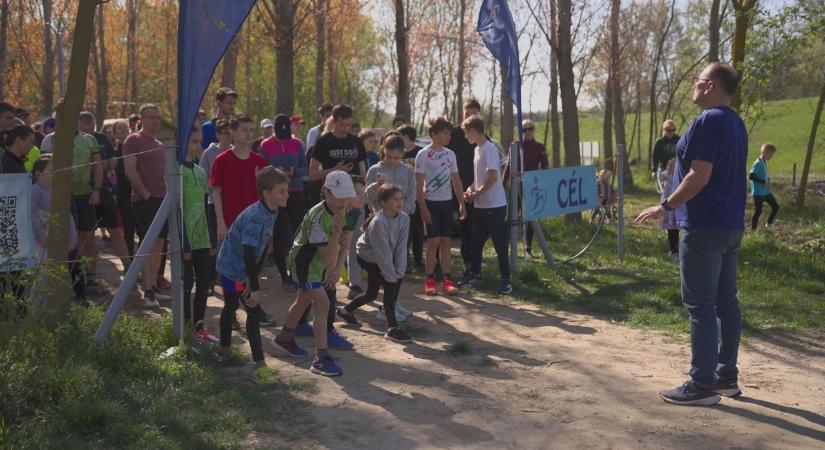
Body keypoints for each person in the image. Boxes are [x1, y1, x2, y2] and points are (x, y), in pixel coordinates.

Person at [637, 62, 748, 406]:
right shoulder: (736, 123)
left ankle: (701, 385)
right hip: (730, 225)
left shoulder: (706, 121)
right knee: (726, 302)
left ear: (712, 86)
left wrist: (665, 206)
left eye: (698, 80)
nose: (694, 85)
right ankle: (725, 377)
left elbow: (697, 177)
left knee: (700, 305)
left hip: (703, 225)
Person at [271, 170, 357, 377]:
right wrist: (336, 235)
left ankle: (284, 338)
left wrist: (336, 270)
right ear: (326, 192)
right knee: (324, 304)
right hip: (305, 263)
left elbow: (344, 245)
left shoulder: (341, 210)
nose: (344, 201)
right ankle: (321, 357)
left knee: (303, 301)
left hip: (319, 262)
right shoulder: (318, 218)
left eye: (347, 195)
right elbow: (329, 252)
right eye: (339, 195)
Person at [216, 167, 289, 368]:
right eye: (281, 191)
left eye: (286, 190)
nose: (286, 195)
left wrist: (254, 275)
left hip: (244, 269)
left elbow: (261, 246)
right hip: (232, 270)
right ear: (267, 193)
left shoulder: (272, 210)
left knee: (246, 309)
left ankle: (246, 357)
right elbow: (248, 252)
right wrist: (254, 286)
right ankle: (240, 356)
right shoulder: (256, 216)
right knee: (239, 308)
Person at [210, 115, 276, 327]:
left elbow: (269, 196)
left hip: (255, 228)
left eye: (251, 129)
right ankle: (231, 311)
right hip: (231, 226)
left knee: (253, 269)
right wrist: (220, 222)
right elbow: (216, 193)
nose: (249, 134)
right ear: (232, 133)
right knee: (231, 270)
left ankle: (253, 307)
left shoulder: (260, 161)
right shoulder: (221, 160)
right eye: (244, 130)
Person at [294, 176, 366, 349]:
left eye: (361, 193)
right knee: (324, 292)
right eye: (356, 193)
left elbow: (345, 243)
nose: (360, 197)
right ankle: (325, 331)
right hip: (310, 255)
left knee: (314, 292)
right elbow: (325, 248)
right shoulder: (324, 213)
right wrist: (330, 269)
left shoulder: (354, 212)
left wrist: (337, 268)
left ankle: (297, 326)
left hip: (327, 256)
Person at [337, 184, 412, 343]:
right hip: (367, 258)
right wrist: (391, 277)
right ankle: (393, 328)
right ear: (383, 203)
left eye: (401, 198)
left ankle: (345, 310)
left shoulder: (404, 218)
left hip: (383, 256)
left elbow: (401, 247)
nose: (399, 202)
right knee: (390, 286)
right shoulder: (378, 223)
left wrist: (399, 272)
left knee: (372, 293)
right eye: (394, 199)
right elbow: (382, 253)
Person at [362, 134, 416, 320]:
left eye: (396, 157)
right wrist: (375, 187)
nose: (392, 161)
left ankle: (393, 302)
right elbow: (366, 197)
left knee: (400, 261)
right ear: (383, 151)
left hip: (401, 225)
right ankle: (386, 308)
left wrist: (402, 213)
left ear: (403, 154)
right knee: (385, 264)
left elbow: (411, 197)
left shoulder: (408, 171)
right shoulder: (375, 170)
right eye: (388, 156)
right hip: (381, 227)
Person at [123, 104, 169, 308]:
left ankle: (153, 286)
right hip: (146, 201)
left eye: (158, 117)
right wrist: (146, 194)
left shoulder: (160, 143)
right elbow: (130, 170)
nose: (156, 121)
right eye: (152, 117)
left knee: (159, 245)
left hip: (163, 199)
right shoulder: (134, 140)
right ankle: (147, 291)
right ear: (141, 119)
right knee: (146, 244)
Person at [461, 115, 512, 294]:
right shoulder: (477, 150)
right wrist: (470, 189)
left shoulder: (488, 149)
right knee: (476, 242)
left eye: (465, 133)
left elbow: (492, 176)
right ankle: (476, 275)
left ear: (473, 131)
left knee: (500, 244)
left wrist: (477, 193)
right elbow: (479, 178)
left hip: (495, 205)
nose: (465, 136)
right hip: (480, 206)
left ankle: (506, 281)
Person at [416, 116, 466, 296]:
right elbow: (418, 183)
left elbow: (456, 180)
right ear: (433, 134)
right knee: (432, 242)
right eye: (445, 133)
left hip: (447, 204)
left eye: (449, 133)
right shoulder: (423, 155)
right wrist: (422, 208)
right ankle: (429, 279)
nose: (448, 137)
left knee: (446, 242)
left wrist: (461, 203)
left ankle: (446, 280)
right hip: (430, 204)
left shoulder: (450, 154)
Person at [78, 112, 130, 282]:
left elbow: (112, 162)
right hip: (83, 192)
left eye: (92, 129)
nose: (90, 134)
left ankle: (129, 267)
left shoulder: (102, 138)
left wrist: (102, 165)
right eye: (87, 130)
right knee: (87, 235)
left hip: (105, 191)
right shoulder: (75, 139)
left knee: (115, 230)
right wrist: (99, 165)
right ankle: (90, 276)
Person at [258, 114, 308, 291]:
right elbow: (262, 170)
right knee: (279, 235)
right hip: (275, 196)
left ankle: (298, 273)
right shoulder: (265, 145)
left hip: (295, 192)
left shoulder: (297, 144)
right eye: (280, 133)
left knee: (299, 233)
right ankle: (284, 276)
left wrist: (294, 172)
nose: (284, 136)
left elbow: (305, 167)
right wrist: (276, 173)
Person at [30, 155, 86, 304]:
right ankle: (36, 315)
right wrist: (41, 236)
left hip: (59, 240)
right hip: (41, 242)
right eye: (51, 169)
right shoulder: (35, 190)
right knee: (42, 277)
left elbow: (68, 216)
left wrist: (73, 240)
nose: (55, 172)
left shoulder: (58, 191)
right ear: (38, 173)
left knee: (58, 276)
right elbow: (30, 214)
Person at [181, 125, 218, 343]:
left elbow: (207, 208)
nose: (198, 145)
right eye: (194, 141)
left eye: (199, 141)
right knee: (186, 285)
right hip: (186, 240)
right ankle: (185, 328)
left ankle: (199, 328)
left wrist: (212, 238)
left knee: (204, 283)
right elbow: (177, 210)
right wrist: (184, 242)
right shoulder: (176, 172)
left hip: (203, 238)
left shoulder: (200, 171)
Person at [69, 115, 105, 297]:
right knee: (68, 239)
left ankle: (90, 278)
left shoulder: (89, 139)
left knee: (88, 237)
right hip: (62, 197)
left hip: (85, 194)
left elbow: (98, 166)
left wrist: (97, 190)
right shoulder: (51, 139)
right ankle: (70, 279)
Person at [504, 119, 548, 256]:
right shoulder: (515, 145)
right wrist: (502, 184)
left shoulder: (540, 147)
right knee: (510, 216)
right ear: (520, 131)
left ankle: (528, 248)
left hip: (531, 187)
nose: (528, 132)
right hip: (516, 186)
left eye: (531, 129)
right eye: (524, 129)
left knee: (530, 217)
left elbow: (546, 168)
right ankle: (505, 246)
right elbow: (508, 166)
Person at [449, 99, 482, 277]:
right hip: (450, 187)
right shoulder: (452, 134)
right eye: (466, 114)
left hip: (472, 189)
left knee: (469, 228)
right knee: (444, 231)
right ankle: (440, 266)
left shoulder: (481, 137)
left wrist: (474, 187)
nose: (468, 117)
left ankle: (469, 263)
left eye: (472, 114)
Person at [398, 124, 425, 271]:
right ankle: (404, 260)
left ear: (407, 137)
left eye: (400, 137)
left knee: (418, 231)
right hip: (401, 199)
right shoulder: (399, 154)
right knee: (404, 230)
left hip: (418, 197)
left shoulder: (420, 153)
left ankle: (418, 260)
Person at [112, 120, 137, 259]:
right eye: (119, 128)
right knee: (128, 229)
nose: (123, 130)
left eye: (125, 127)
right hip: (123, 194)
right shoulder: (114, 152)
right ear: (115, 133)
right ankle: (129, 263)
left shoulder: (136, 148)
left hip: (138, 191)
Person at [750, 143, 779, 230]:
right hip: (758, 192)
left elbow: (762, 175)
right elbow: (751, 176)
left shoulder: (764, 162)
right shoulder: (758, 162)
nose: (771, 156)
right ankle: (753, 230)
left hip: (765, 192)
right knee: (758, 211)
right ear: (765, 152)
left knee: (776, 207)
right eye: (771, 154)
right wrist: (763, 182)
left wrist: (767, 178)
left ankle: (768, 225)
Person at [658, 159, 679, 259]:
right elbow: (664, 196)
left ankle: (675, 250)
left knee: (676, 229)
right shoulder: (666, 178)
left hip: (677, 207)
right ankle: (673, 250)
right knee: (671, 230)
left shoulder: (679, 177)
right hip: (668, 208)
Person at [652, 119, 679, 184]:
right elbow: (655, 157)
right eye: (669, 130)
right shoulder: (660, 142)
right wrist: (654, 171)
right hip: (663, 169)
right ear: (665, 130)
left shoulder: (679, 140)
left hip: (675, 170)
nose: (671, 132)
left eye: (673, 130)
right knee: (665, 191)